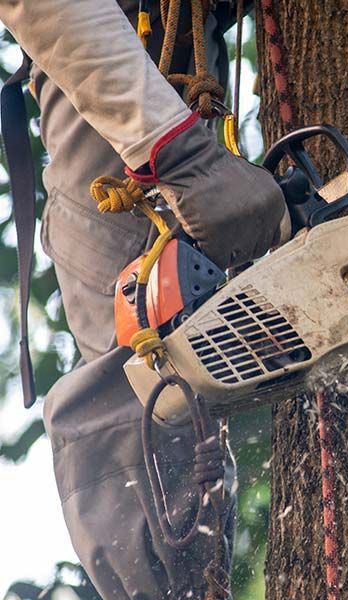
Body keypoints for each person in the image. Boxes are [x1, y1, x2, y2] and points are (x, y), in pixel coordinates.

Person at [0, 0, 285, 598]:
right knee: (142, 377)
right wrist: (177, 153)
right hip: (102, 52)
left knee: (182, 365)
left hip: (184, 49)